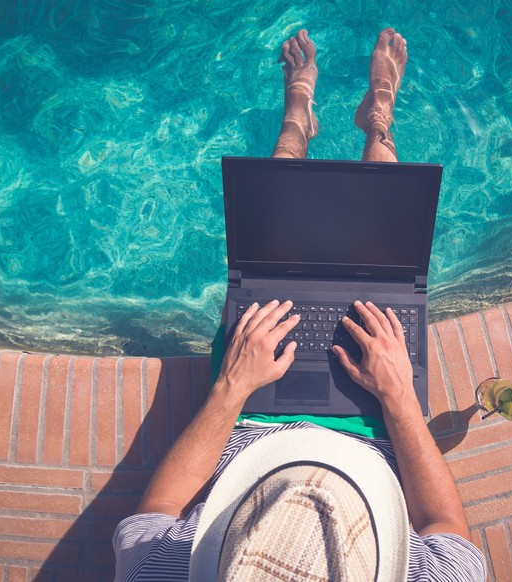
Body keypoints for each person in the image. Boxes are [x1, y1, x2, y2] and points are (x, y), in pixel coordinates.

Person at [113, 29, 487, 581]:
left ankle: (296, 123)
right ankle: (378, 121)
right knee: (381, 260)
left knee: (268, 265)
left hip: (246, 417)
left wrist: (231, 388)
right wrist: (399, 396)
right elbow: (442, 525)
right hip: (377, 425)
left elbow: (155, 515)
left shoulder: (158, 572)